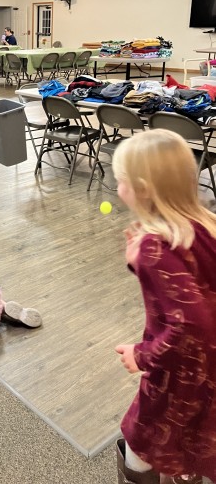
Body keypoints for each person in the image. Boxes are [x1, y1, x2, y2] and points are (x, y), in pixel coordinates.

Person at [112, 129, 216, 484]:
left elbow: (192, 325)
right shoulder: (202, 223)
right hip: (210, 363)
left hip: (181, 365)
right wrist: (136, 263)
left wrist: (143, 355)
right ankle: (187, 472)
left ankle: (138, 473)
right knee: (196, 423)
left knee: (146, 426)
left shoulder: (154, 247)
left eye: (120, 181)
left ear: (141, 188)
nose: (116, 187)